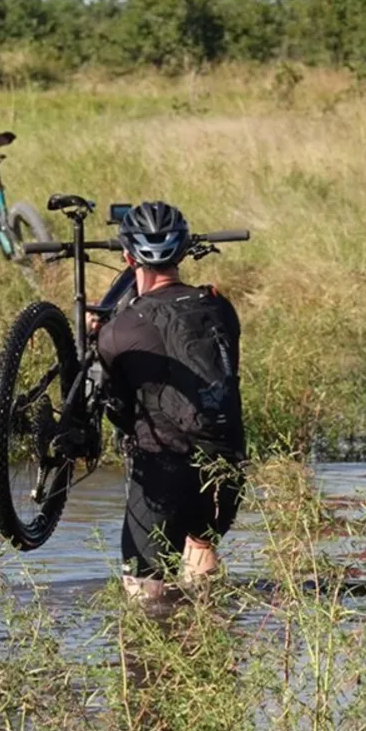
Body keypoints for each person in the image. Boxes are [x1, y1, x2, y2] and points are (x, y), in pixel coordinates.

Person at [96, 201, 246, 603]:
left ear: (128, 257)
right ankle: (210, 643)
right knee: (200, 546)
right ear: (182, 252)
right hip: (227, 459)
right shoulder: (220, 307)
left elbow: (119, 409)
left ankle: (154, 658)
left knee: (144, 594)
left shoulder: (118, 332)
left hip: (163, 466)